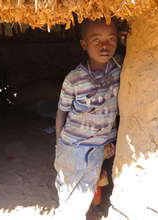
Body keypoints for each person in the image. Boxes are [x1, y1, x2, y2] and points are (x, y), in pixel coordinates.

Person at [54, 18, 123, 219]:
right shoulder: (74, 78)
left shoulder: (120, 72)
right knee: (68, 193)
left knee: (88, 187)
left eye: (111, 39)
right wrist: (60, 145)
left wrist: (111, 140)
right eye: (96, 40)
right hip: (73, 146)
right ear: (84, 44)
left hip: (99, 148)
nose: (104, 46)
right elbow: (61, 112)